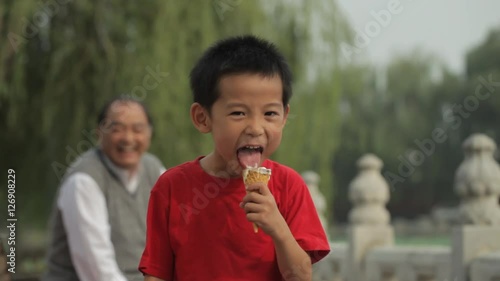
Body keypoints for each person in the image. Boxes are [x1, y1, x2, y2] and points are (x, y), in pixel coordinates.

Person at [139, 35, 330, 281]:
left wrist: (278, 227)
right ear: (202, 118)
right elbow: (156, 273)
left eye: (270, 113)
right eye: (238, 113)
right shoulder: (171, 187)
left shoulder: (289, 186)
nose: (255, 127)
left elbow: (302, 276)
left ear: (284, 117)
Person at [43, 96, 165, 281]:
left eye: (138, 129)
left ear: (149, 133)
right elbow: (98, 271)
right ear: (99, 132)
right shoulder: (84, 180)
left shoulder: (155, 169)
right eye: (117, 129)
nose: (128, 138)